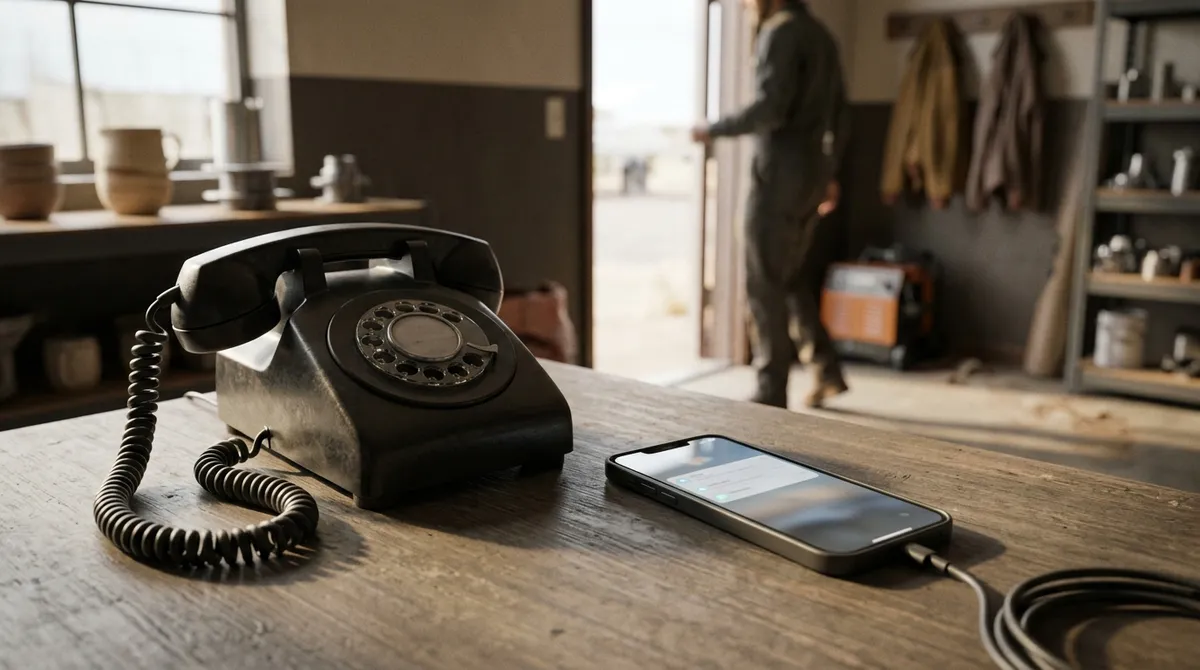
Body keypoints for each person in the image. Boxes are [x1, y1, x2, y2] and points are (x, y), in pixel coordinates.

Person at [691, 0, 849, 409]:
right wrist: (829, 174)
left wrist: (713, 128)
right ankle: (826, 370)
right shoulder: (822, 34)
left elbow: (770, 108)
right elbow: (839, 114)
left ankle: (769, 391)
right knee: (791, 277)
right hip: (812, 174)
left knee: (763, 283)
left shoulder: (780, 32)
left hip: (779, 177)